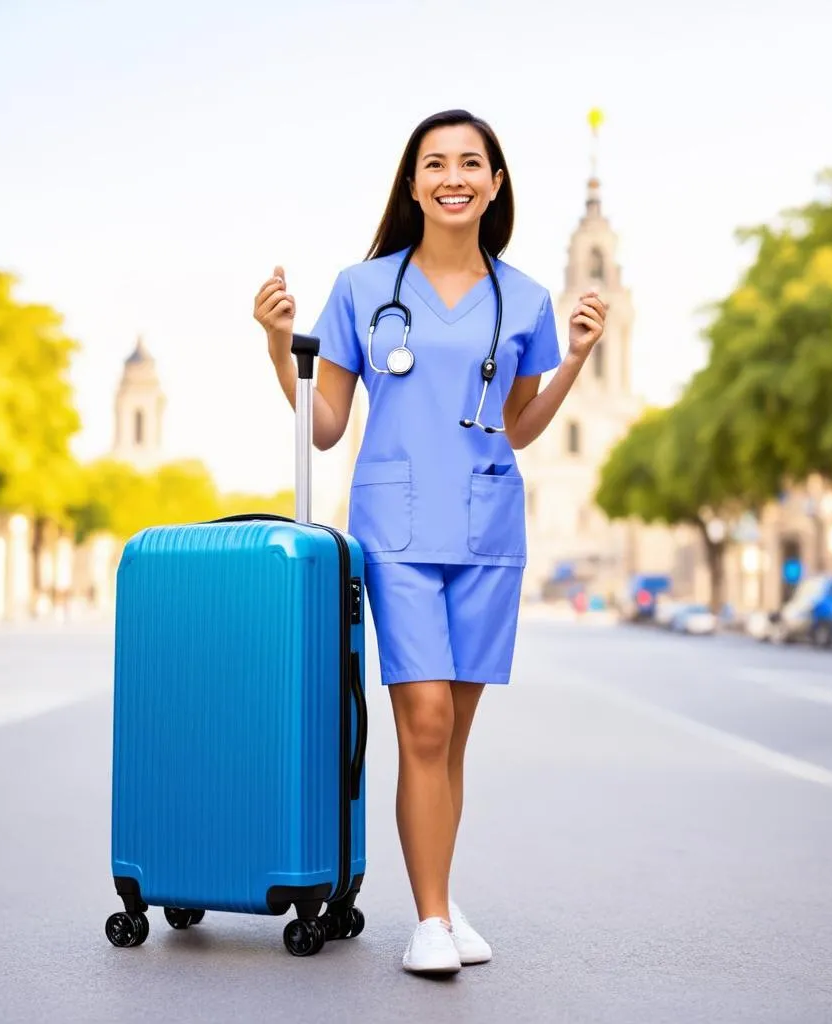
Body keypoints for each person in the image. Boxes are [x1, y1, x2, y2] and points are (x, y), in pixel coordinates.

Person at [253, 109, 606, 976]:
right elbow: (328, 426)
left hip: (487, 527)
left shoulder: (525, 299)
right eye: (435, 163)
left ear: (494, 183)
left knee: (453, 739)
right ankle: (432, 921)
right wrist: (275, 346)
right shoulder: (361, 288)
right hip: (398, 529)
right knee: (424, 718)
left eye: (471, 163)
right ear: (413, 184)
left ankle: (440, 896)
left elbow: (517, 429)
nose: (453, 176)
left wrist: (575, 363)